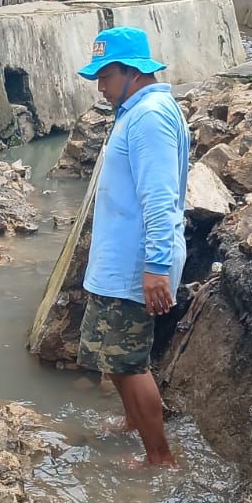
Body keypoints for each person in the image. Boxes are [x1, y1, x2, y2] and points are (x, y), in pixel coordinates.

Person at [75, 27, 189, 467]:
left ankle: (159, 457)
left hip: (134, 265)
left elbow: (160, 198)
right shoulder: (139, 110)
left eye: (105, 76)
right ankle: (132, 421)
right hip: (122, 263)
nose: (100, 86)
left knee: (127, 362)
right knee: (119, 354)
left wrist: (156, 266)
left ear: (132, 72)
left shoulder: (149, 117)